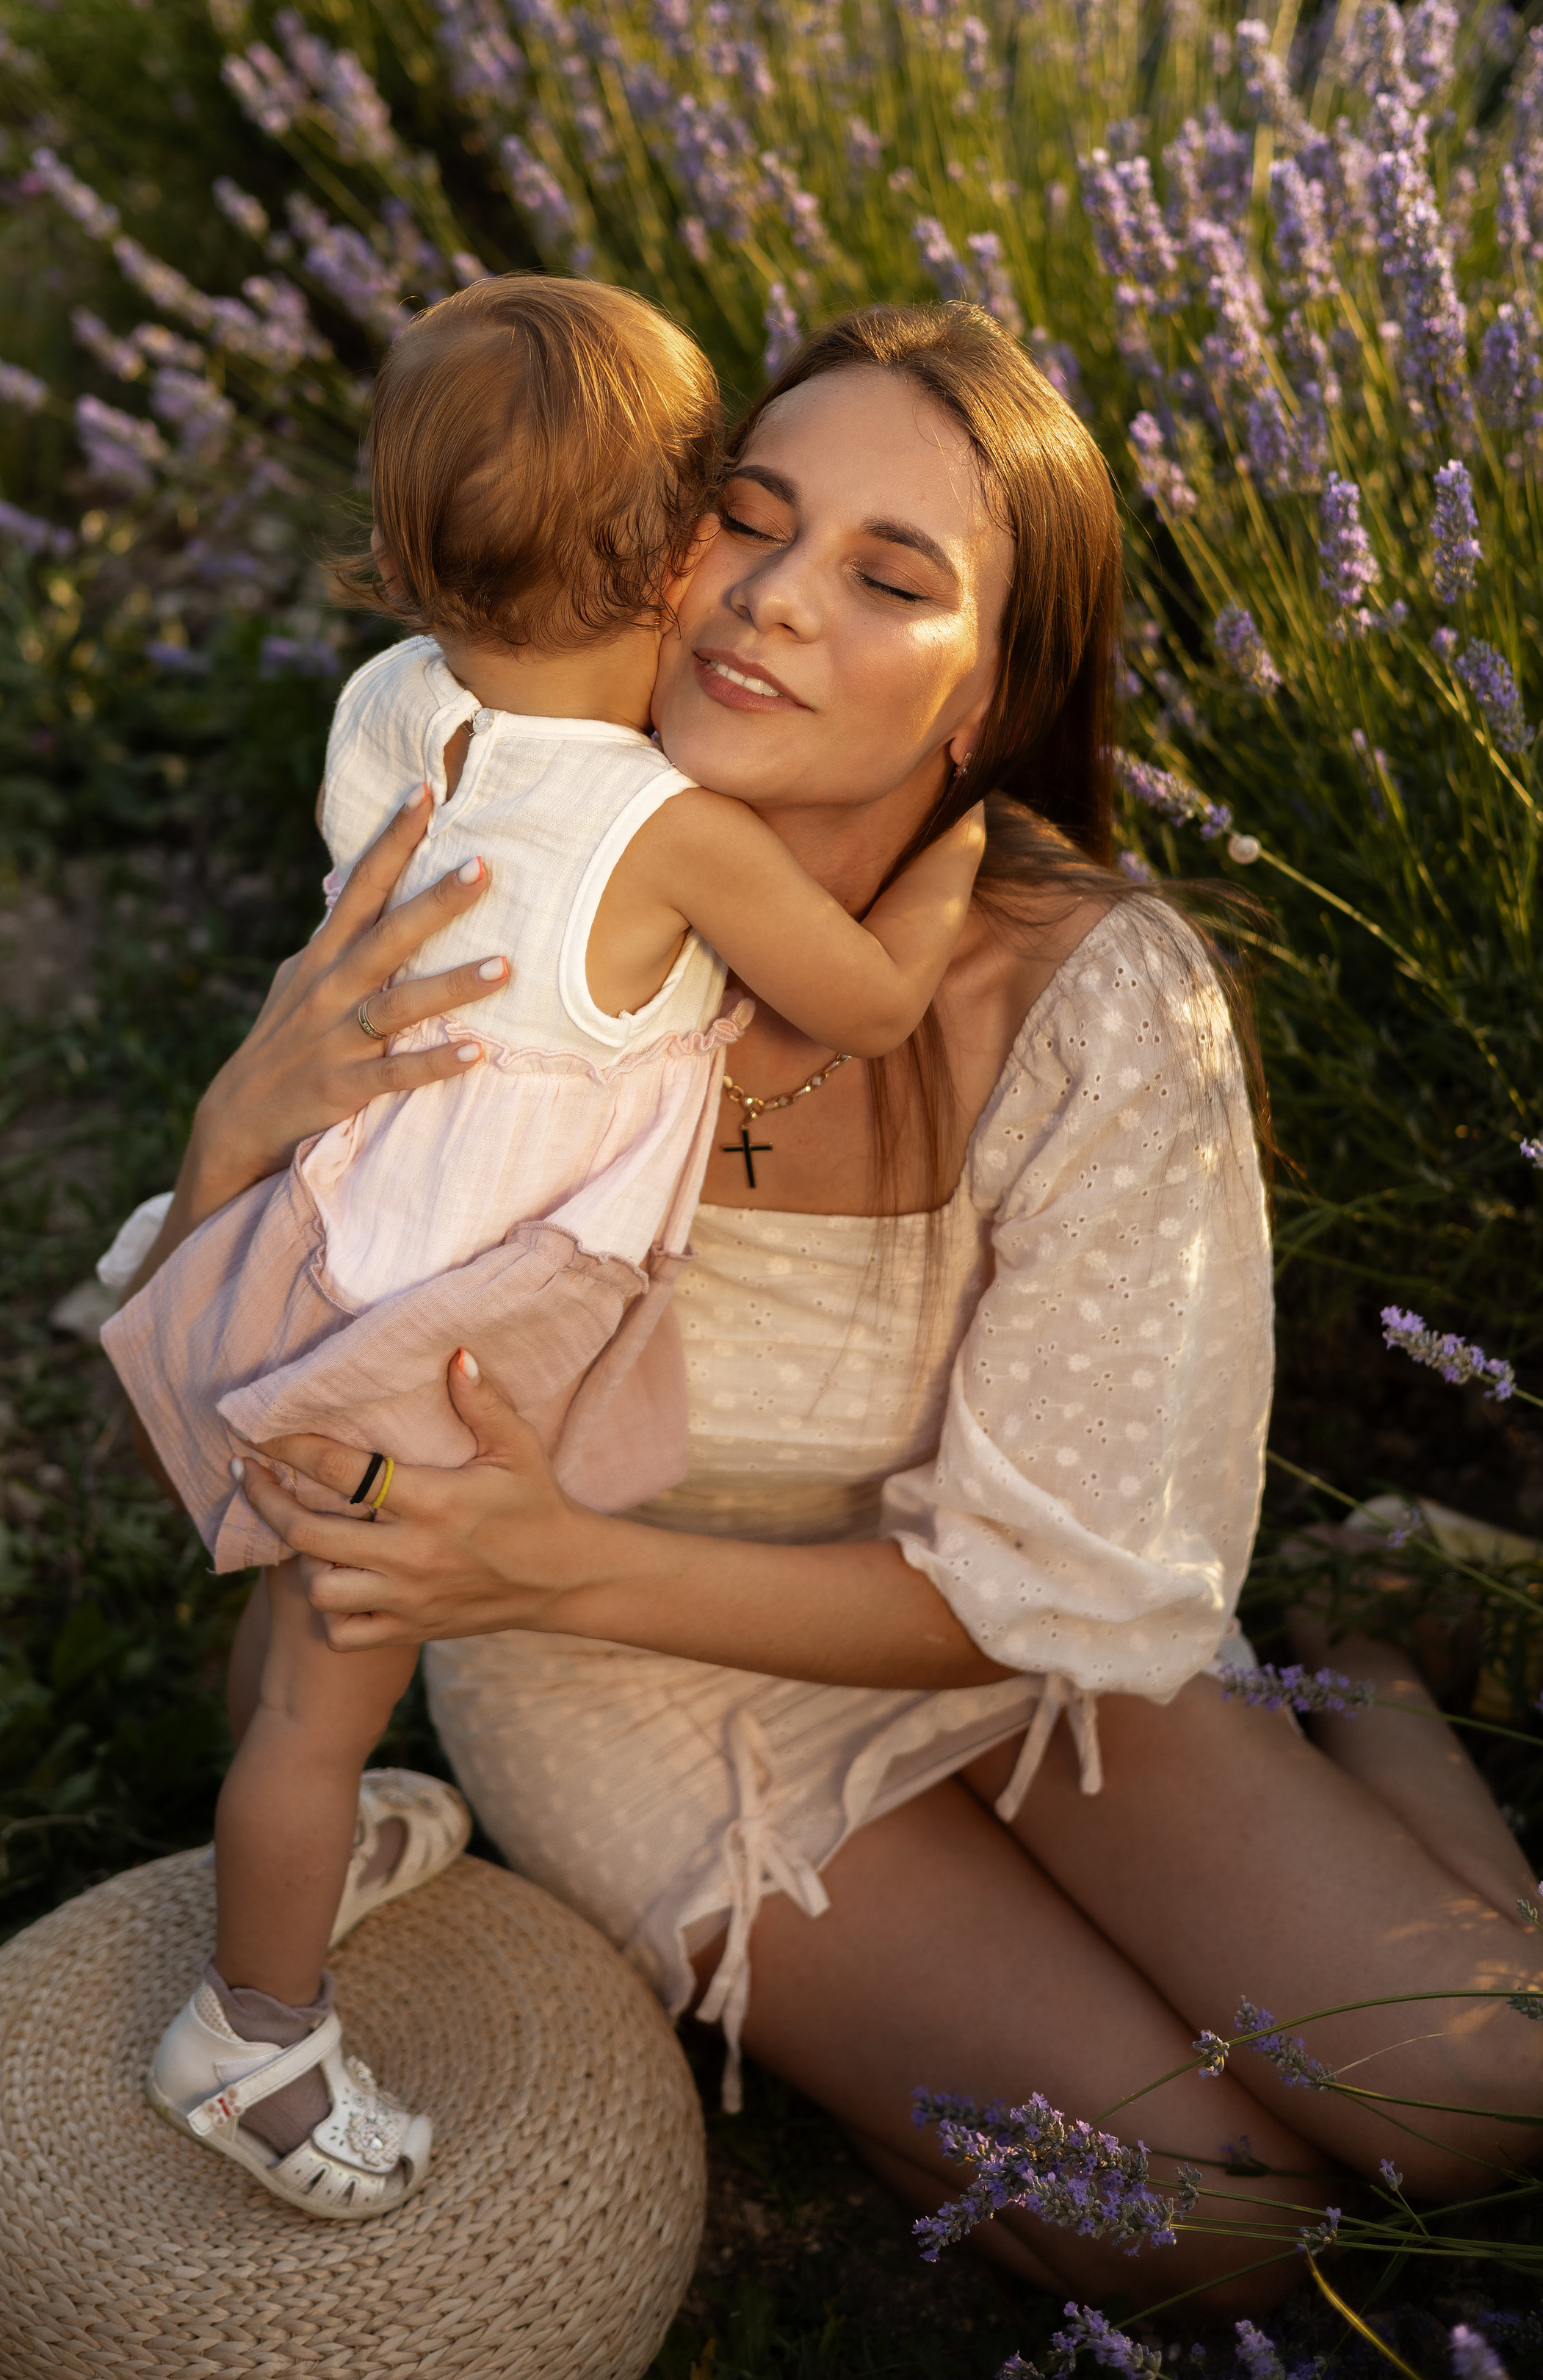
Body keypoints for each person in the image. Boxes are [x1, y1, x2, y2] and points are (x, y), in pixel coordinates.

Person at [109, 302, 1543, 2309]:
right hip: (610, 1674)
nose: (770, 602)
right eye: (748, 521)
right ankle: (941, 2041)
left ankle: (1369, 1655)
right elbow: (225, 1369)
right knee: (1219, 2227)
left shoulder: (1098, 1001)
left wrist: (541, 1551)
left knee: (1476, 2103)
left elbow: (1053, 1578)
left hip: (988, 1616)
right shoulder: (509, 860)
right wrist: (235, 1120)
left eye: (890, 577)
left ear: (989, 696)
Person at [110, 278, 983, 2220]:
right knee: (338, 1691)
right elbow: (848, 997)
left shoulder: (401, 704)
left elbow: (380, 872)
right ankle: (249, 2036)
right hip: (423, 1342)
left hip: (327, 1241)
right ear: (685, 558)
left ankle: (285, 1844)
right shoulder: (664, 829)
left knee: (294, 1641)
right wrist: (945, 886)